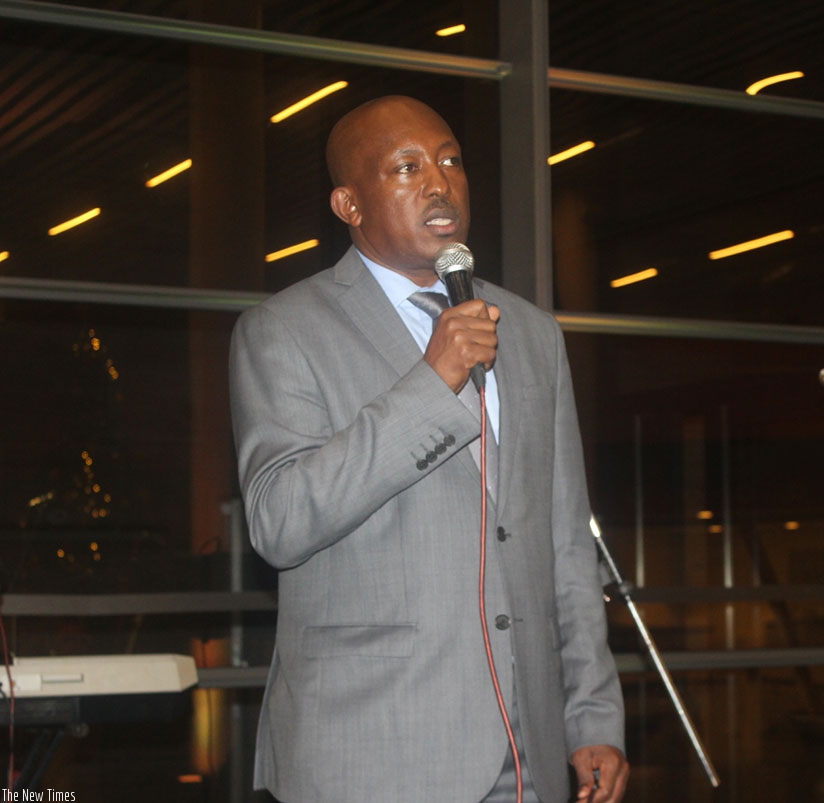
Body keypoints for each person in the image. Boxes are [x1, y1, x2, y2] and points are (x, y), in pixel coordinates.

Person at [229, 95, 629, 803]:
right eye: (407, 167)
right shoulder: (283, 329)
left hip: (528, 748)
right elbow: (280, 520)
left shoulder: (532, 332)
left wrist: (590, 714)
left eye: (450, 161)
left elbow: (564, 542)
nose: (439, 183)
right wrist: (430, 383)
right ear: (349, 203)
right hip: (370, 752)